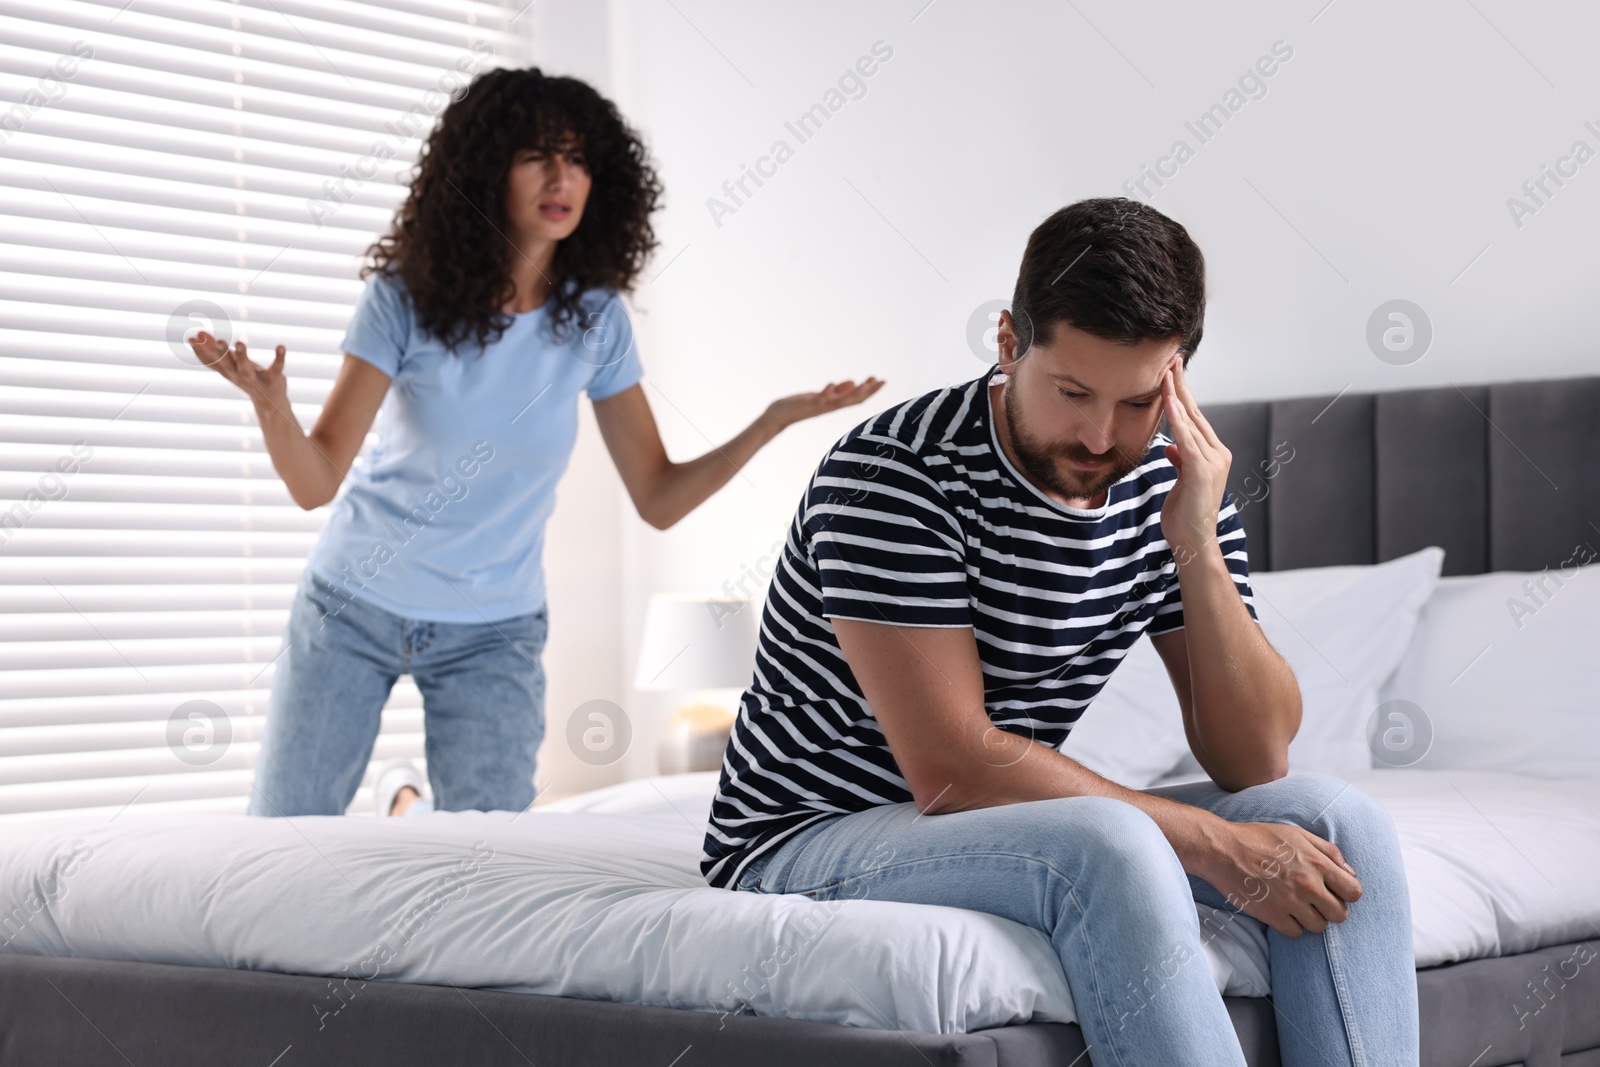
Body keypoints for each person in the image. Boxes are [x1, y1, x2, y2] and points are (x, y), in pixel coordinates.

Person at [701, 199, 1419, 1064]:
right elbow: (952, 767)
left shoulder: (1170, 475)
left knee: (1338, 824)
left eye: (1137, 400)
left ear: (1178, 376)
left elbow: (1255, 758)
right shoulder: (894, 473)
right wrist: (1215, 844)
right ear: (1009, 341)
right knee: (1108, 844)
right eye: (1072, 392)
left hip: (982, 827)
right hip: (804, 833)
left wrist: (1193, 541)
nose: (1098, 435)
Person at [189, 68, 882, 819]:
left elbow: (658, 497)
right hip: (355, 601)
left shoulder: (595, 320)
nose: (562, 178)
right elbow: (315, 481)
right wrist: (272, 408)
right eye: (538, 156)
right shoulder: (403, 300)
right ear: (488, 169)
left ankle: (405, 808)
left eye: (579, 159)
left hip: (493, 630)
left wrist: (770, 421)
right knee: (283, 838)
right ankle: (406, 805)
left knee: (484, 864)